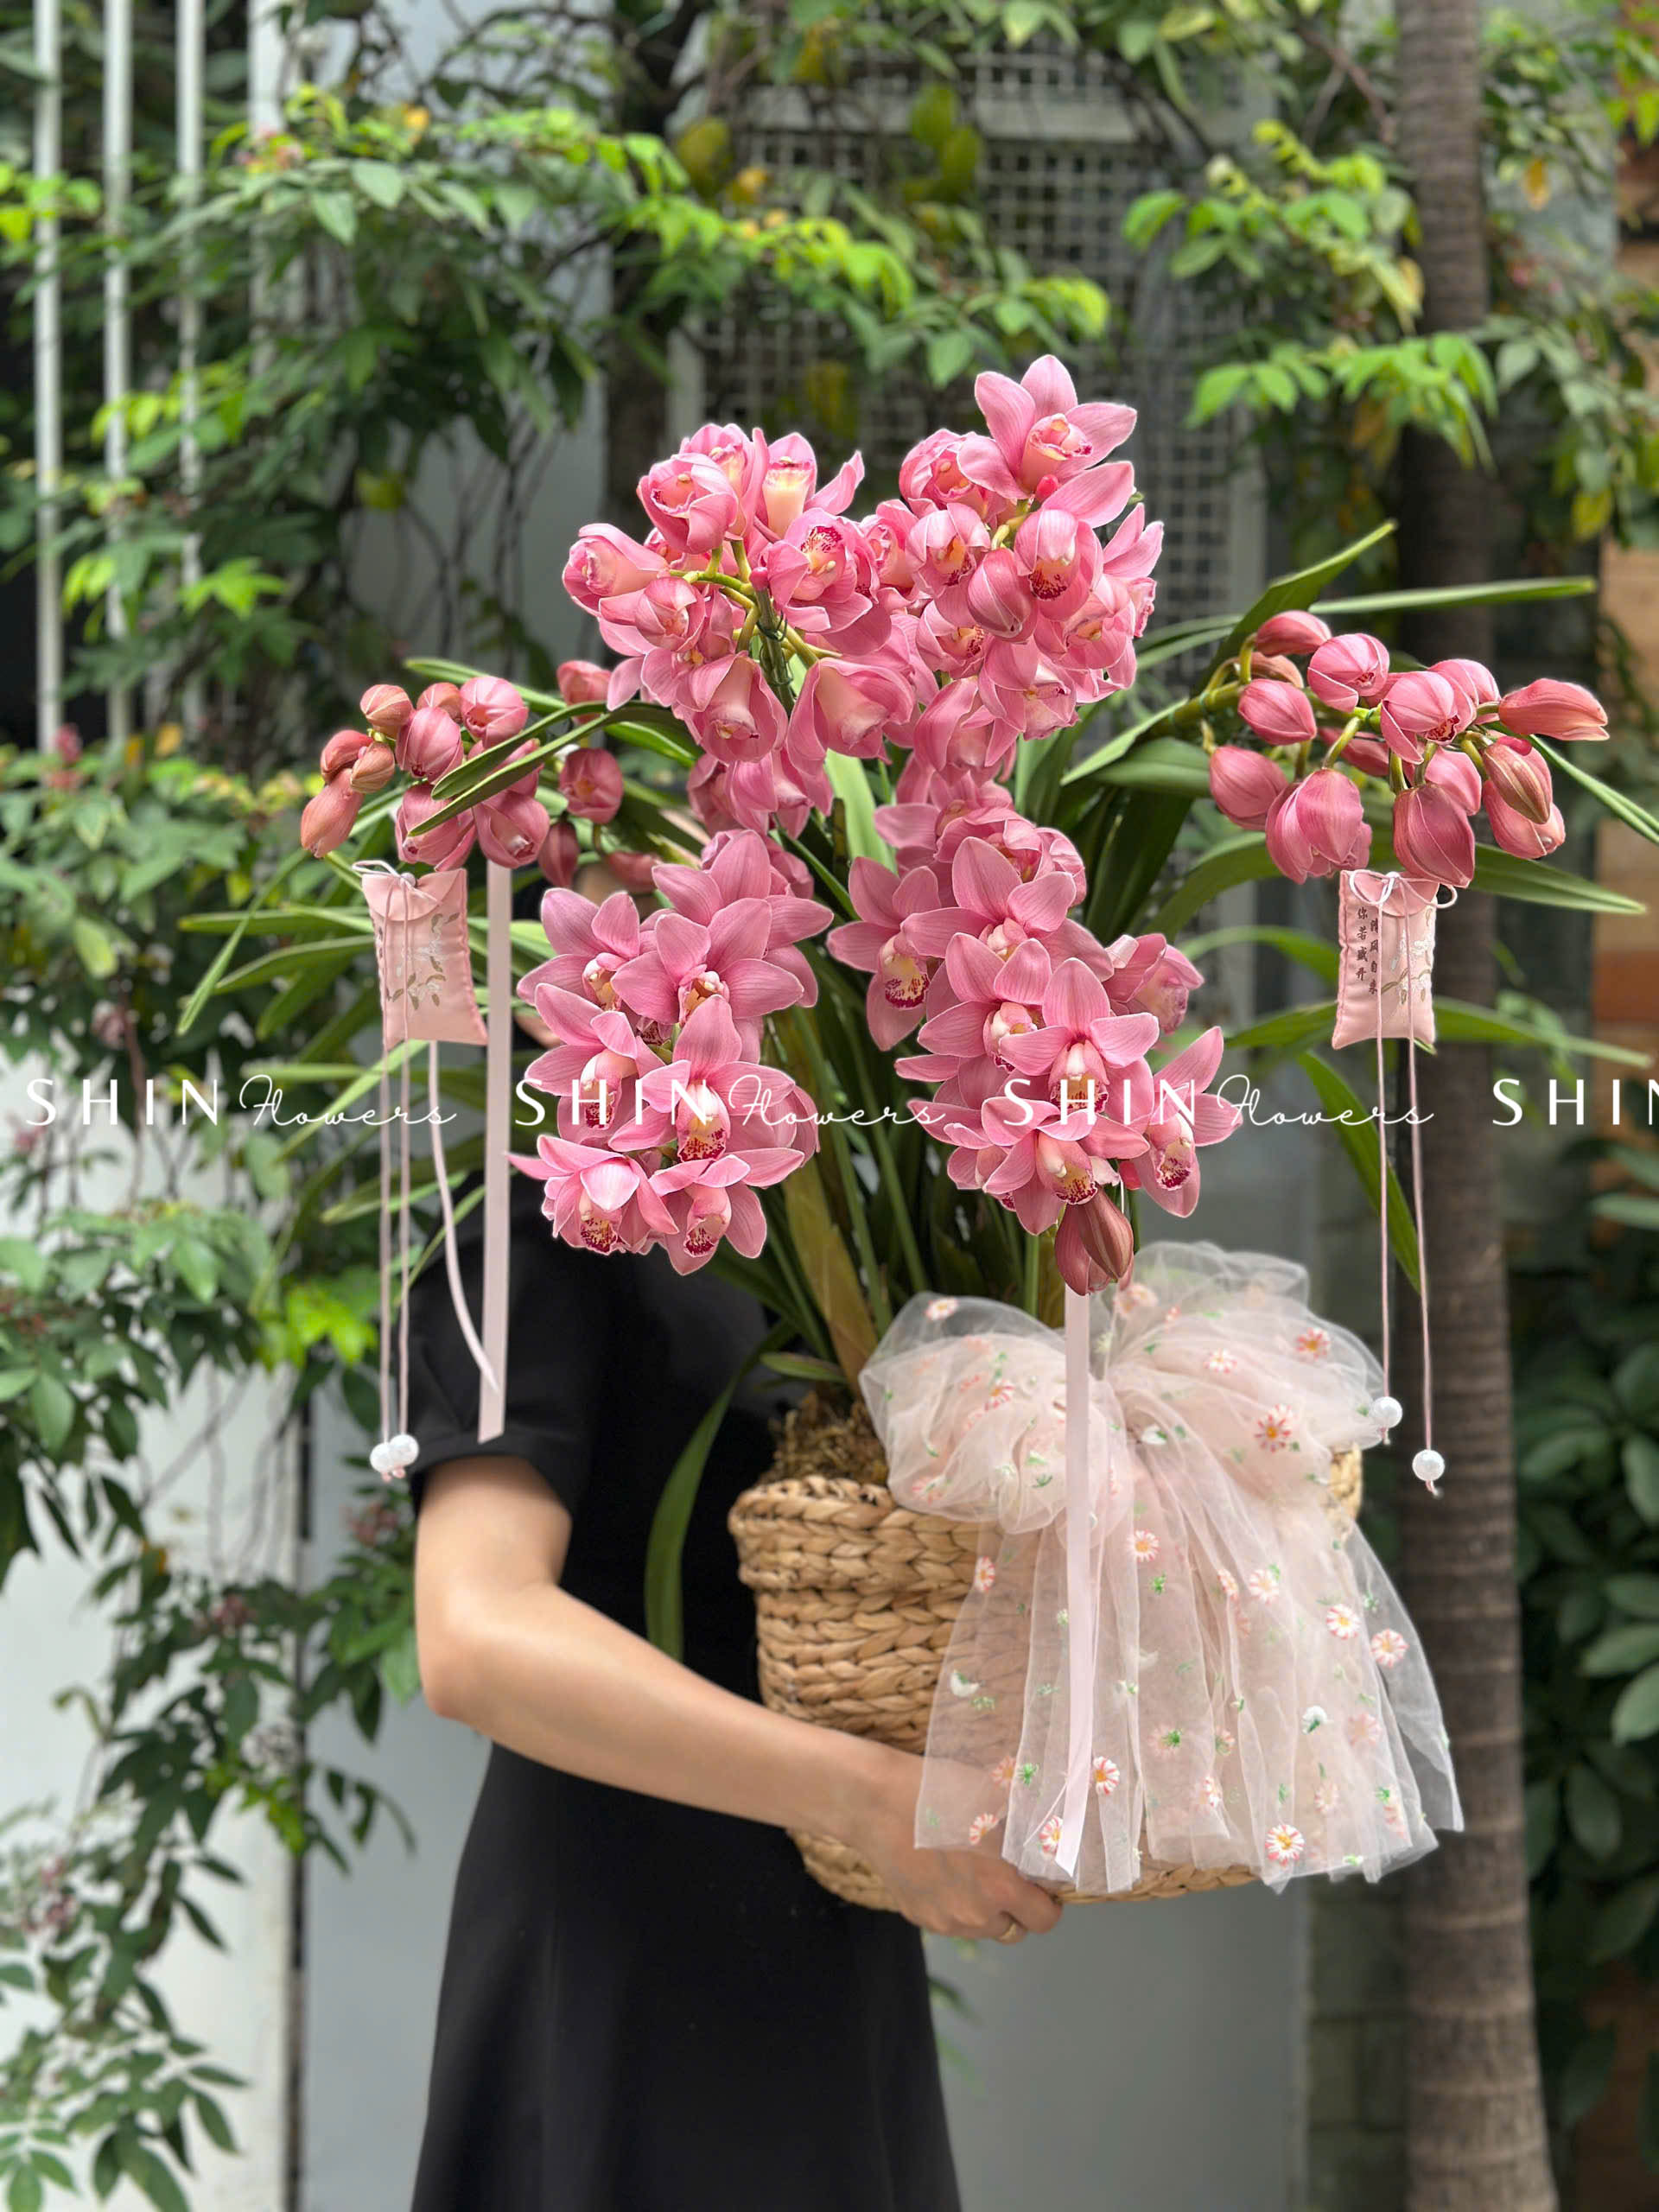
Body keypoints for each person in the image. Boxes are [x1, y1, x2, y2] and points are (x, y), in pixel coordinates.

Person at [404, 1172, 1062, 2211]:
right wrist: (867, 1795)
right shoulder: (557, 1213)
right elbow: (474, 1633)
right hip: (628, 1942)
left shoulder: (820, 1219)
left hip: (832, 1922)